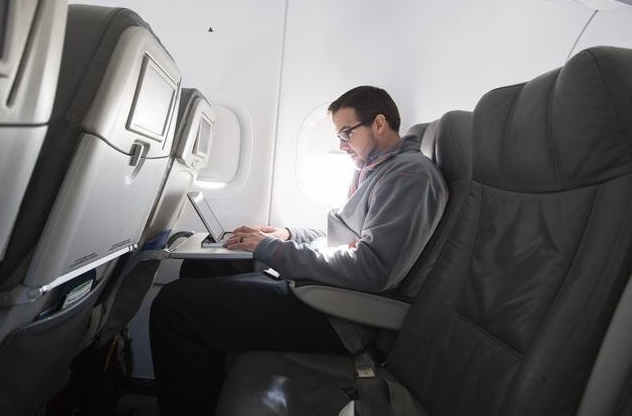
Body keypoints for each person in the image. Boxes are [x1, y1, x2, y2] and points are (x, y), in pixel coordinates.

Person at [150, 86, 448, 415]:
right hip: (326, 291)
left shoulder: (410, 177)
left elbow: (373, 268)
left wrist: (272, 250)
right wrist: (289, 234)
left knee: (173, 307)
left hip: (343, 314)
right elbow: (343, 238)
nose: (341, 145)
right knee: (203, 267)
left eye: (346, 133)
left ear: (378, 123)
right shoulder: (377, 169)